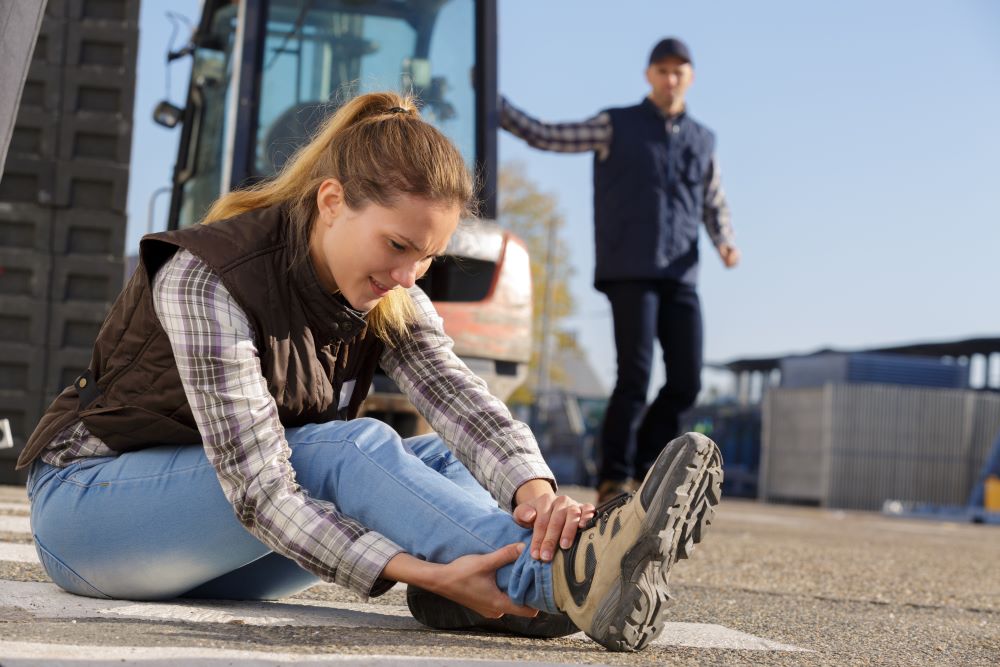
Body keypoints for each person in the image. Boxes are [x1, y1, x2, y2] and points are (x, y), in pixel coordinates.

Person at [17, 91, 722, 652]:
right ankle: (559, 578)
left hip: (220, 542)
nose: (406, 274)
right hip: (90, 518)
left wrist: (537, 498)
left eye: (425, 259)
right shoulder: (207, 275)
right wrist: (417, 564)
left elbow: (460, 401)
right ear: (331, 201)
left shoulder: (392, 292)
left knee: (446, 459)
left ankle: (517, 576)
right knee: (346, 450)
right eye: (396, 245)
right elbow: (263, 492)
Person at [501, 37, 740, 504]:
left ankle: (647, 464)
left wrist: (725, 242)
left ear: (690, 78)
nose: (671, 79)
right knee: (635, 374)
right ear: (649, 75)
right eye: (663, 71)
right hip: (630, 267)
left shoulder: (702, 138)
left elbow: (713, 200)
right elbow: (548, 135)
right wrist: (499, 107)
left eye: (679, 72)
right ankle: (613, 474)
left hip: (680, 273)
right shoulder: (616, 125)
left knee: (687, 380)